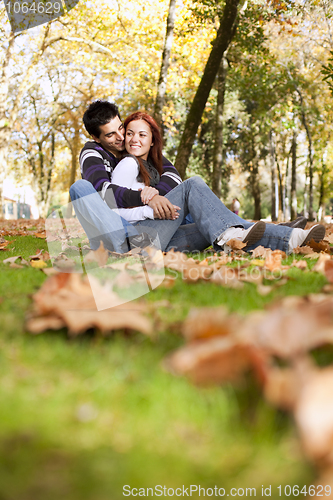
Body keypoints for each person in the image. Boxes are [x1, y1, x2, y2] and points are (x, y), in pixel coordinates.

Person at [69, 101, 325, 254]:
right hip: (135, 235)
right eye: (111, 134)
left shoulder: (140, 155)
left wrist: (158, 195)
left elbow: (173, 178)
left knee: (208, 220)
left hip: (157, 239)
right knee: (195, 187)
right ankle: (235, 234)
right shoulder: (97, 154)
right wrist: (147, 200)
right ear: (97, 137)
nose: (122, 137)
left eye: (122, 129)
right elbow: (105, 196)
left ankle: (292, 239)